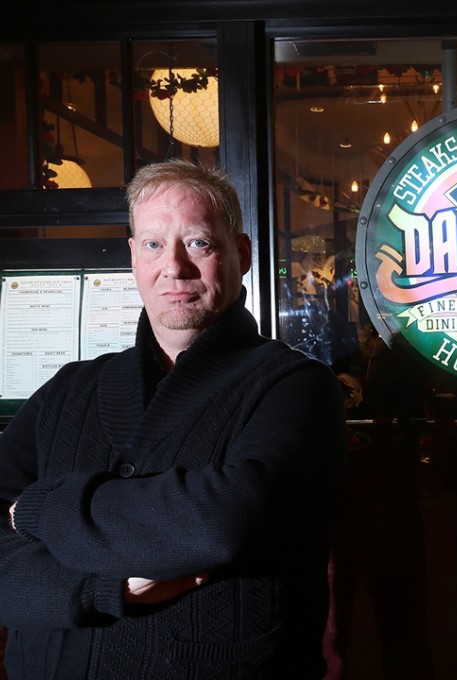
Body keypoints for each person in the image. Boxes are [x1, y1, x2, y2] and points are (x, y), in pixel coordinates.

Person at [0, 158, 347, 679]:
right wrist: (100, 588)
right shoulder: (67, 390)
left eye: (200, 243)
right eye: (154, 244)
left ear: (242, 253)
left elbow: (221, 519)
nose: (175, 267)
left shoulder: (296, 387)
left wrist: (38, 509)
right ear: (133, 257)